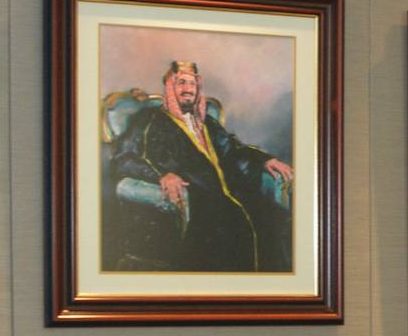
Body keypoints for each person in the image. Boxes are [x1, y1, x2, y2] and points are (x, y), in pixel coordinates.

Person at [106, 60, 293, 273]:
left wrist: (266, 159)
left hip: (232, 193)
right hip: (198, 200)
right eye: (181, 83)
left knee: (272, 218)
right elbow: (123, 159)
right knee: (229, 228)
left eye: (192, 84)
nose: (188, 89)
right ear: (170, 87)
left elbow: (234, 149)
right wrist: (162, 176)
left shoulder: (207, 122)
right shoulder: (149, 120)